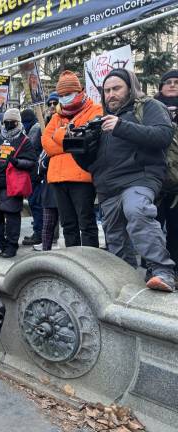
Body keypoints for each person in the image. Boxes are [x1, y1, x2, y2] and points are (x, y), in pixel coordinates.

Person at [76, 69, 176, 292]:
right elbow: (91, 164)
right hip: (108, 187)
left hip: (139, 178)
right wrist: (79, 150)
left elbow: (163, 135)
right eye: (107, 90)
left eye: (116, 88)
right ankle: (125, 279)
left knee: (138, 211)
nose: (111, 94)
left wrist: (121, 126)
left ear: (130, 88)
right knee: (115, 236)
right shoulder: (99, 120)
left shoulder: (149, 106)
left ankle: (163, 271)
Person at [42, 70, 101, 248]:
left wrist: (59, 138)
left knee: (87, 224)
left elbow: (84, 141)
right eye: (61, 95)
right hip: (57, 179)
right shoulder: (56, 116)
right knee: (68, 225)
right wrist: (67, 138)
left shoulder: (95, 110)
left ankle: (92, 263)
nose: (64, 98)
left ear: (79, 91)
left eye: (68, 94)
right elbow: (46, 143)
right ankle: (73, 264)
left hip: (82, 177)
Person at [0, 108, 37, 258]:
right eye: (5, 122)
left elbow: (32, 162)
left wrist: (16, 161)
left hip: (12, 186)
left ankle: (11, 246)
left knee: (12, 218)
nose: (8, 125)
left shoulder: (24, 141)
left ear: (17, 122)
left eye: (11, 122)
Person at [154, 70, 178, 273]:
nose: (172, 85)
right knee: (152, 227)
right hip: (155, 180)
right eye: (168, 82)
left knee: (176, 228)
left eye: (176, 82)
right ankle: (155, 267)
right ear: (161, 86)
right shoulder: (151, 109)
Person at [21, 108, 44, 246]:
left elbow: (31, 149)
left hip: (35, 173)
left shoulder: (35, 129)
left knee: (36, 204)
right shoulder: (35, 127)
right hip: (35, 172)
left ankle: (38, 233)